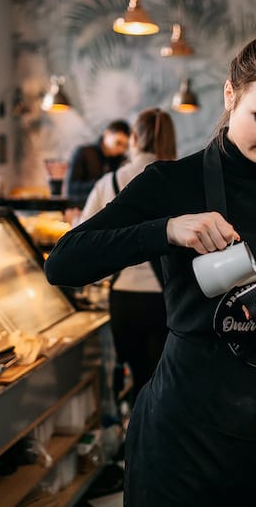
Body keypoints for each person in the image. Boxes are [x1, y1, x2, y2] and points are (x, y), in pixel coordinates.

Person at [45, 32, 256, 506]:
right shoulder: (171, 182)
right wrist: (166, 230)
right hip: (182, 428)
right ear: (230, 95)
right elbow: (64, 263)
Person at [80, 107, 177, 404]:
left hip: (124, 297)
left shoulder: (109, 182)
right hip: (168, 298)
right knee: (165, 381)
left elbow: (80, 239)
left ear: (134, 138)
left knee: (137, 380)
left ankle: (134, 428)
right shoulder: (178, 180)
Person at [64, 119, 130, 209]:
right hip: (81, 208)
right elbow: (71, 188)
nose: (121, 149)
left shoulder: (121, 160)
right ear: (107, 134)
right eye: (118, 143)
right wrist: (102, 184)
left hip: (107, 209)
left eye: (125, 146)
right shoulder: (83, 152)